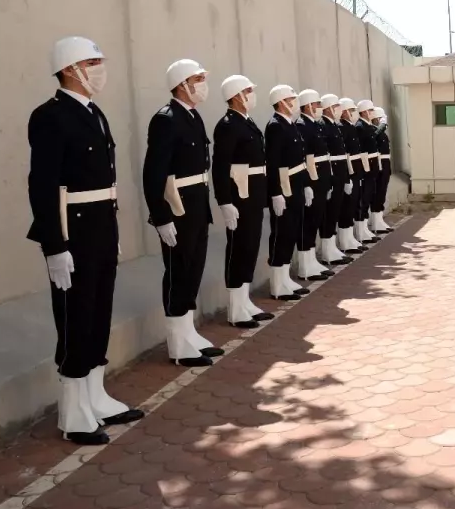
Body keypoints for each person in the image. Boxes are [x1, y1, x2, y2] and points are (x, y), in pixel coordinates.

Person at [27, 37, 144, 446]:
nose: (99, 68)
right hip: (72, 232)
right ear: (70, 69)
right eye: (92, 61)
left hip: (99, 228)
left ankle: (96, 395)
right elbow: (42, 186)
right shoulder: (50, 116)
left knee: (98, 312)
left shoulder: (94, 113)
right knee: (75, 316)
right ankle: (73, 412)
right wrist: (54, 247)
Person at [142, 60, 225, 368]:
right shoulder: (166, 119)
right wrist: (161, 217)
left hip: (196, 206)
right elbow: (154, 174)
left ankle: (188, 332)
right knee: (178, 272)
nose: (203, 83)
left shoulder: (192, 117)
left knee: (193, 270)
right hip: (178, 210)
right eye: (198, 78)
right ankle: (177, 343)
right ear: (180, 84)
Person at [212, 75, 274, 329]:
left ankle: (244, 300)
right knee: (238, 249)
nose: (252, 94)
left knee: (249, 247)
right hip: (239, 196)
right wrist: (225, 201)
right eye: (248, 90)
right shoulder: (227, 125)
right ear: (237, 95)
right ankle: (235, 308)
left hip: (254, 195)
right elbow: (220, 166)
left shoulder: (247, 122)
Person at [265, 85, 312, 299]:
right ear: (281, 101)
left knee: (291, 232)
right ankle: (277, 284)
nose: (294, 102)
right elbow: (273, 163)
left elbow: (299, 160)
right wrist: (275, 193)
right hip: (284, 188)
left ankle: (285, 279)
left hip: (296, 186)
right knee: (281, 235)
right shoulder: (275, 126)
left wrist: (306, 185)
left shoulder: (290, 125)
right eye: (291, 99)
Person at [293, 90, 332, 283]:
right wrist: (308, 183)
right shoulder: (302, 125)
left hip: (321, 179)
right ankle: (305, 265)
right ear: (307, 105)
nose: (319, 108)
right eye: (316, 104)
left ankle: (311, 260)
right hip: (312, 179)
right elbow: (305, 157)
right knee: (308, 223)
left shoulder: (314, 125)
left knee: (315, 220)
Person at [316, 94, 353, 267]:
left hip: (339, 173)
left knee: (335, 212)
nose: (339, 109)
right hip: (331, 174)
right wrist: (331, 178)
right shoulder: (323, 125)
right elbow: (327, 156)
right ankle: (326, 251)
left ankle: (331, 248)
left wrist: (346, 178)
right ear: (328, 107)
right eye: (336, 105)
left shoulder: (334, 126)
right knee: (329, 214)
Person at [336, 98, 367, 255]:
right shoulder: (342, 127)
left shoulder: (350, 127)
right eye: (352, 110)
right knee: (347, 207)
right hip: (349, 170)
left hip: (355, 169)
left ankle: (349, 238)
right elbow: (346, 154)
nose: (354, 113)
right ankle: (344, 240)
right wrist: (349, 175)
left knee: (353, 204)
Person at [354, 100, 381, 245]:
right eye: (370, 110)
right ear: (364, 112)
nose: (372, 113)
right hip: (366, 167)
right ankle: (360, 231)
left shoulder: (368, 126)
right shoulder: (360, 126)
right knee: (363, 200)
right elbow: (362, 150)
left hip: (372, 166)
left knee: (368, 196)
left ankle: (364, 229)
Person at [369, 106, 394, 234]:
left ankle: (379, 220)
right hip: (378, 164)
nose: (382, 121)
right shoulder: (373, 131)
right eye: (380, 118)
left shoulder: (380, 132)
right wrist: (382, 126)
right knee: (377, 193)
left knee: (382, 192)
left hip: (385, 163)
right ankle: (375, 222)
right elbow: (372, 137)